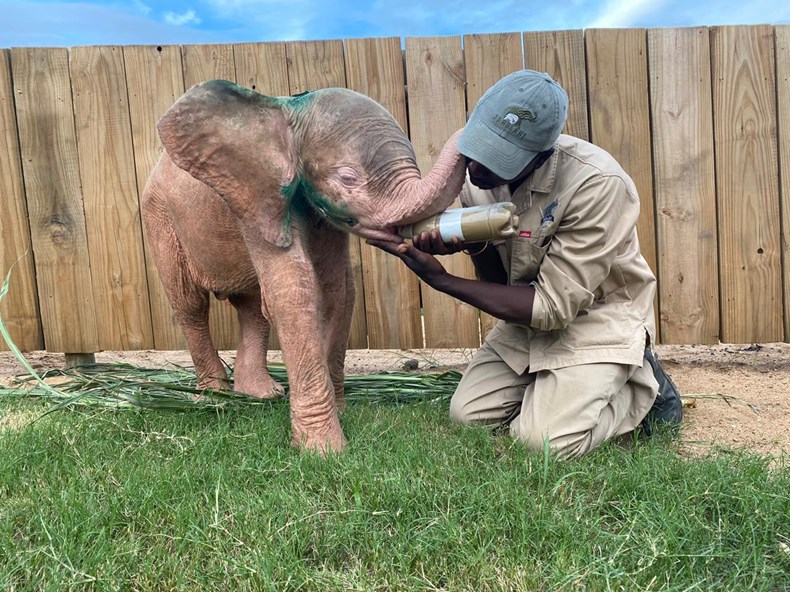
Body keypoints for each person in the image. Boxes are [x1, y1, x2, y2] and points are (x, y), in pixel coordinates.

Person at [369, 69, 682, 459]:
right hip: (527, 320)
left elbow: (552, 308)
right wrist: (470, 246)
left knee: (541, 443)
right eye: (477, 149)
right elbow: (502, 283)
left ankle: (643, 389)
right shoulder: (475, 181)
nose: (478, 169)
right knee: (466, 415)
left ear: (542, 155)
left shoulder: (597, 184)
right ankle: (562, 389)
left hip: (596, 318)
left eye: (499, 160)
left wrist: (442, 281)